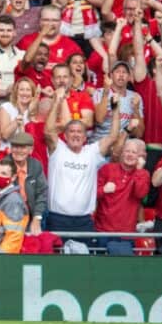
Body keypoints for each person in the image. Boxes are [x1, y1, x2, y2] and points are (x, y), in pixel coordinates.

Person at [44, 87, 121, 234]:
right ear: (65, 136)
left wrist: (116, 109)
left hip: (84, 221)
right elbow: (48, 131)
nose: (75, 134)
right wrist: (57, 102)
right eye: (71, 131)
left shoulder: (91, 152)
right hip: (57, 219)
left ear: (85, 137)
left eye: (79, 131)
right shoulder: (57, 149)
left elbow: (112, 137)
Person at [96, 139, 149, 238]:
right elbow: (92, 195)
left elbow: (140, 194)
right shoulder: (107, 169)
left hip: (126, 233)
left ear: (140, 157)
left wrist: (139, 170)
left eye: (134, 152)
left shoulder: (143, 174)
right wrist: (103, 190)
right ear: (121, 153)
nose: (130, 155)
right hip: (102, 229)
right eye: (127, 151)